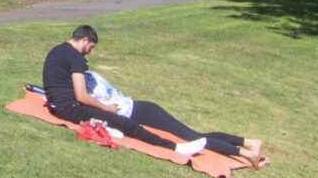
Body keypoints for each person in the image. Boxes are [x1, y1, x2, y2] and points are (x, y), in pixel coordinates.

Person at [40, 24, 265, 166]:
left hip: (141, 109)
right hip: (132, 110)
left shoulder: (58, 51)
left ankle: (247, 149)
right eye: (91, 47)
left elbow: (72, 91)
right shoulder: (75, 59)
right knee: (192, 135)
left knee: (191, 135)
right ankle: (248, 147)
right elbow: (81, 95)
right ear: (84, 40)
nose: (90, 52)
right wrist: (106, 107)